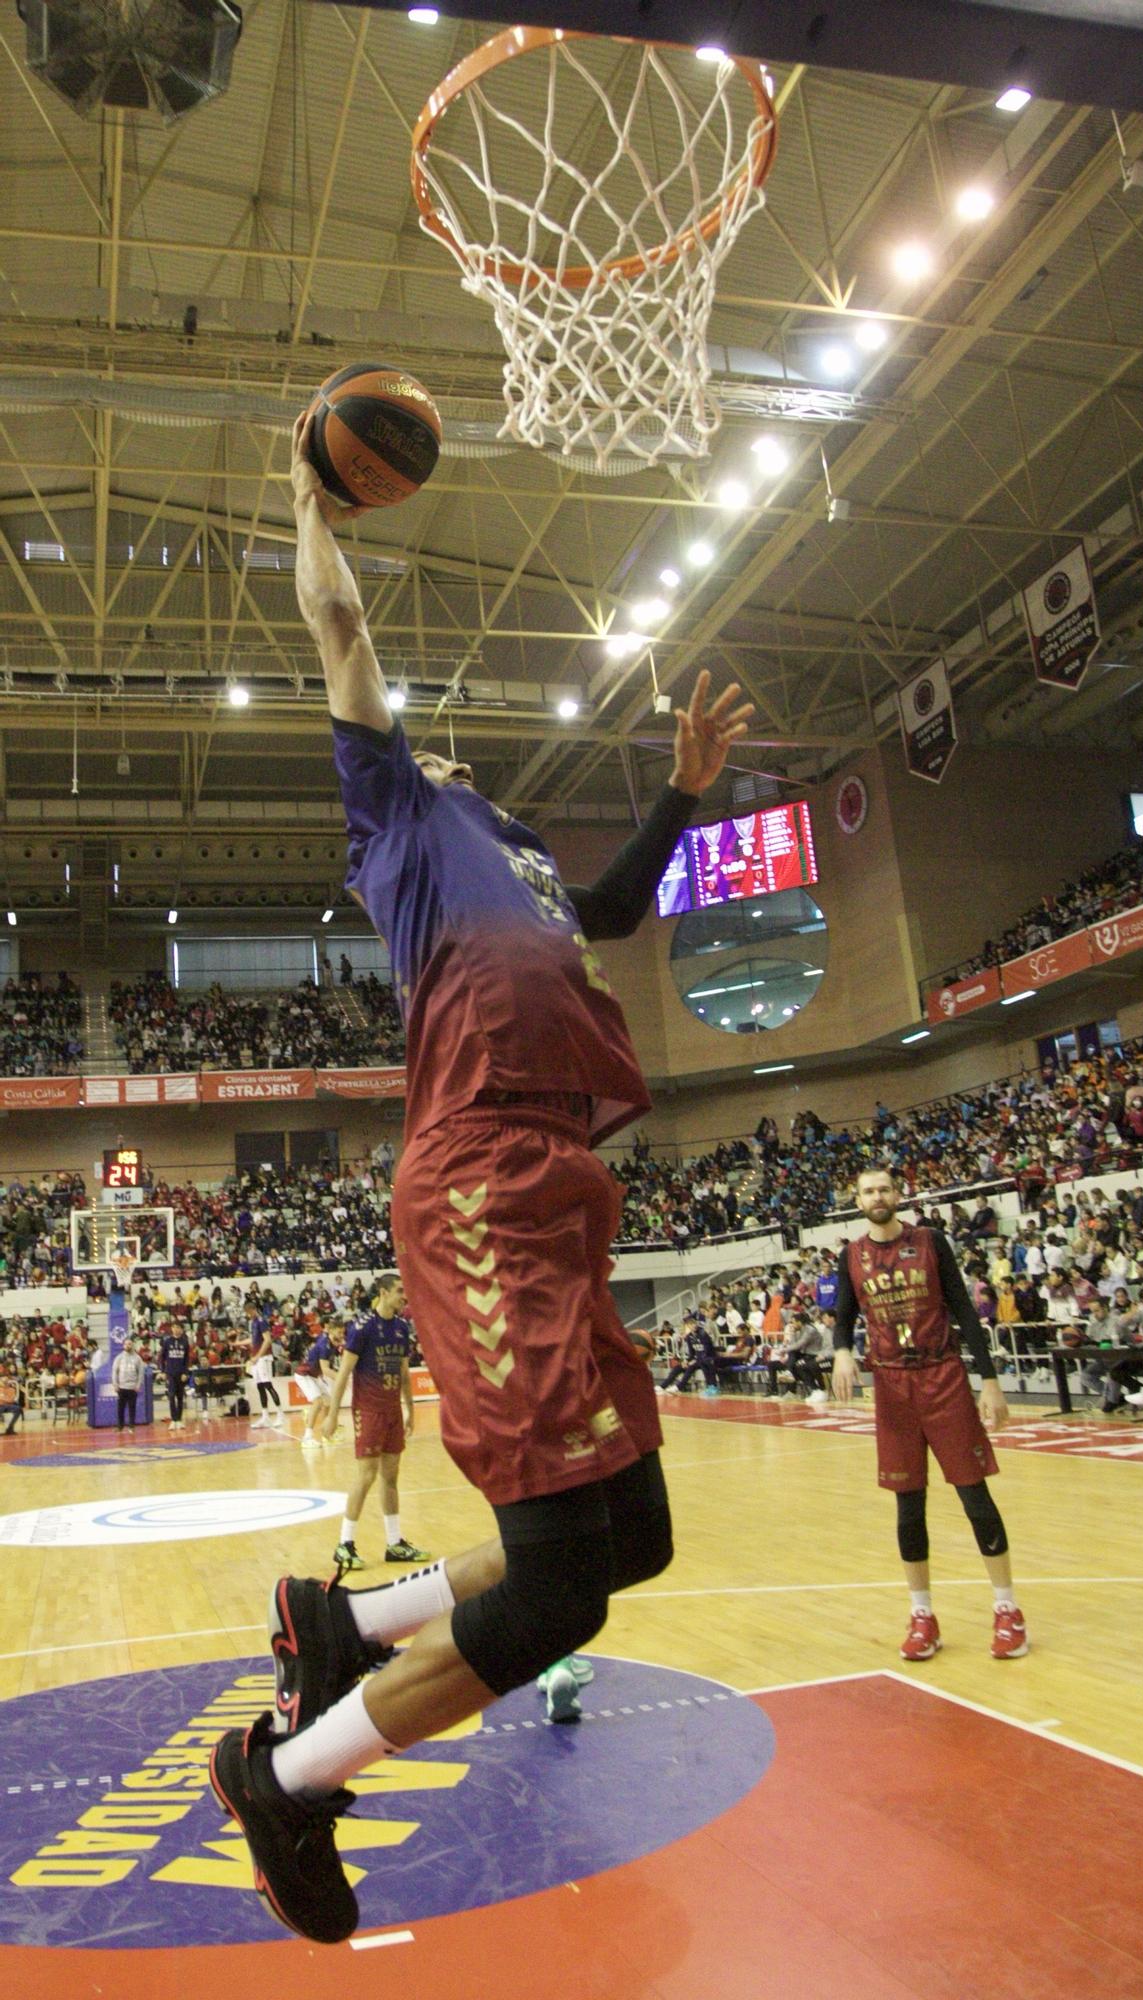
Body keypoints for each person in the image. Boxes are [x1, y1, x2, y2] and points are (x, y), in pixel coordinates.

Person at [209, 414, 753, 1948]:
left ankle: (344, 1621)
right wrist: (308, 498)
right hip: (479, 1183)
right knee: (561, 1588)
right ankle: (293, 1777)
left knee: (629, 1538)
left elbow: (613, 907)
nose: (438, 741)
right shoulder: (399, 818)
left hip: (562, 1181)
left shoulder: (509, 849)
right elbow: (336, 621)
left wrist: (682, 791)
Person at [830, 1166, 1026, 1663]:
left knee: (973, 1493)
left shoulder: (931, 1242)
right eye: (869, 1190)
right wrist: (841, 1352)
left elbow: (963, 1308)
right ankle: (923, 1616)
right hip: (892, 1387)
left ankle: (1008, 1610)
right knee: (907, 1505)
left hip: (943, 1376)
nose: (878, 1196)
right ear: (858, 1200)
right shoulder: (850, 1256)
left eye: (885, 1188)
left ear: (899, 1195)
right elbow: (846, 1315)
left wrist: (990, 1380)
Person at [323, 1275, 428, 1574]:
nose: (403, 1297)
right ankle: (344, 1544)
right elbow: (343, 1374)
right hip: (368, 1410)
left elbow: (405, 1373)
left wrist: (410, 1407)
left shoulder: (401, 1327)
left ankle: (394, 1542)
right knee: (366, 1476)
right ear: (383, 1292)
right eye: (399, 1291)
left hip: (393, 1409)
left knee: (391, 1477)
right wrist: (332, 1414)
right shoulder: (361, 1326)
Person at [290, 1320, 342, 1450]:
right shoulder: (325, 1345)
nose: (342, 1335)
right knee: (318, 1402)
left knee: (328, 1402)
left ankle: (326, 1434)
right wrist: (342, 1378)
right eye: (339, 1332)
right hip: (304, 1375)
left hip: (314, 1376)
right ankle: (307, 1438)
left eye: (343, 1332)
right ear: (331, 1330)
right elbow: (325, 1369)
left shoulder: (331, 1342)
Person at [246, 1312, 286, 1433]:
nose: (247, 1316)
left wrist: (258, 1356)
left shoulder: (261, 1321)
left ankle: (280, 1414)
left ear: (251, 1310)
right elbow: (253, 1340)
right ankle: (265, 1416)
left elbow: (267, 1340)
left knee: (268, 1385)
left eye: (247, 1313)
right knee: (260, 1387)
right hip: (256, 1358)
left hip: (264, 1358)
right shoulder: (252, 1322)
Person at [159, 1319, 192, 1429]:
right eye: (174, 1327)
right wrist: (163, 1371)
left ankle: (179, 1419)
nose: (176, 1329)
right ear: (172, 1329)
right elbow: (161, 1357)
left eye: (178, 1327)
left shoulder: (185, 1342)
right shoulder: (167, 1341)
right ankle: (173, 1419)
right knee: (171, 1396)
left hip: (181, 1374)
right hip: (171, 1373)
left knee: (180, 1397)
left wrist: (185, 1373)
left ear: (182, 1330)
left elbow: (187, 1359)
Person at [111, 1339, 144, 1430]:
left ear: (132, 1345)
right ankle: (120, 1426)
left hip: (132, 1387)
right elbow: (114, 1371)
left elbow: (140, 1372)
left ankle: (131, 1426)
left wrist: (138, 1385)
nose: (128, 1346)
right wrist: (115, 1384)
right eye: (126, 1344)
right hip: (121, 1386)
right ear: (123, 1345)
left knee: (132, 1407)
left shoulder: (137, 1358)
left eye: (129, 1344)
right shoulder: (119, 1358)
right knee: (120, 1408)